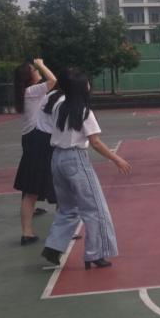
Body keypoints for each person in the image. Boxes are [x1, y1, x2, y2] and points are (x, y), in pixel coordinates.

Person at [40, 69, 131, 269]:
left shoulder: (58, 105)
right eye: (87, 82)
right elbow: (95, 142)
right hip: (75, 159)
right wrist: (116, 159)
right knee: (95, 209)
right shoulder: (84, 111)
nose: (89, 84)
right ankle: (94, 254)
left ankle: (53, 247)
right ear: (82, 87)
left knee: (67, 208)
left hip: (57, 159)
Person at [13, 58, 58, 245]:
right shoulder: (32, 91)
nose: (38, 72)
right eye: (35, 70)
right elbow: (53, 80)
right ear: (29, 76)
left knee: (31, 189)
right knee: (50, 183)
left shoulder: (28, 92)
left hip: (32, 139)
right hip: (37, 140)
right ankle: (61, 230)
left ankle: (27, 232)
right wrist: (41, 64)